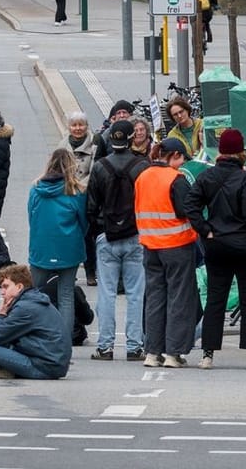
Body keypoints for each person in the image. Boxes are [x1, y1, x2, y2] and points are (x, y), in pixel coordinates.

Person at [188, 128, 246, 370]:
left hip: (216, 244)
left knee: (215, 299)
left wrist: (205, 229)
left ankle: (208, 354)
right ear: (241, 151)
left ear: (221, 151)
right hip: (244, 246)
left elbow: (190, 205)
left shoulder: (206, 177)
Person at [87, 119, 148, 361]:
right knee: (135, 293)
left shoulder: (100, 166)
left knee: (107, 292)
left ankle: (105, 346)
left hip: (107, 234)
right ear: (132, 137)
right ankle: (134, 346)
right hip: (135, 234)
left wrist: (98, 230)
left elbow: (91, 206)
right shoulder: (142, 166)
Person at [135, 137, 198, 368]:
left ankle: (152, 352)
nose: (182, 164)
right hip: (177, 245)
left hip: (150, 246)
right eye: (181, 159)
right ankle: (174, 352)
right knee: (179, 298)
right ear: (173, 156)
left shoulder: (142, 177)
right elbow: (185, 210)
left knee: (155, 298)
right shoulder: (176, 179)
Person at [26, 147, 88, 332]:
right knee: (66, 295)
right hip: (69, 247)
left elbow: (31, 217)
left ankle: (34, 334)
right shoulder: (76, 190)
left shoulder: (36, 188)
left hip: (41, 247)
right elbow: (83, 221)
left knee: (33, 293)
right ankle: (64, 343)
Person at [0, 264, 71, 379]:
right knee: (3, 344)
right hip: (53, 363)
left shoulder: (24, 307)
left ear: (19, 287)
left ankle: (6, 370)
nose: (2, 292)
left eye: (6, 287)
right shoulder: (32, 300)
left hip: (45, 366)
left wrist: (2, 314)